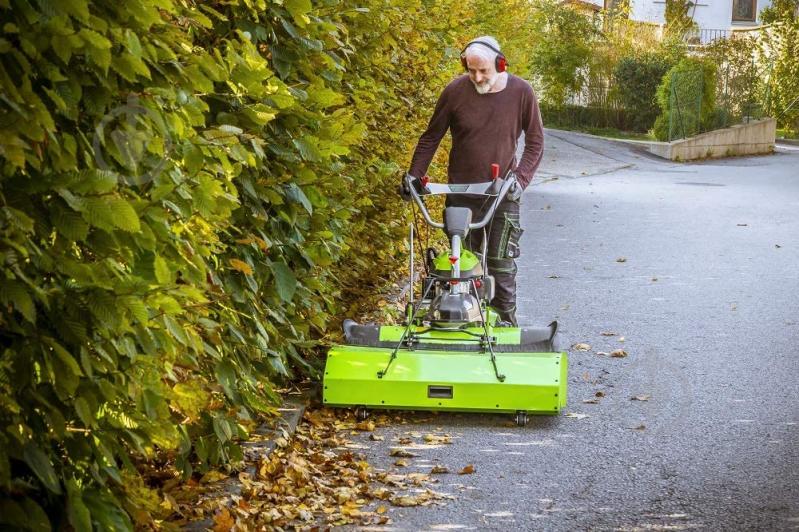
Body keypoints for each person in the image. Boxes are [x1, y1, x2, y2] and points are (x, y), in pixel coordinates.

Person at [400, 36, 545, 327]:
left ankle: (505, 328)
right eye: (471, 71)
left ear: (500, 65)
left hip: (502, 194)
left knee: (502, 267)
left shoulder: (521, 92)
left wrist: (520, 178)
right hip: (461, 197)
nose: (477, 77)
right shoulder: (454, 91)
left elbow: (535, 142)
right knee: (463, 268)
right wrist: (414, 175)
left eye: (484, 72)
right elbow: (432, 137)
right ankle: (468, 329)